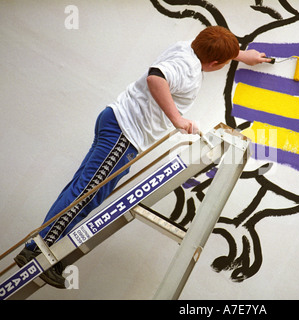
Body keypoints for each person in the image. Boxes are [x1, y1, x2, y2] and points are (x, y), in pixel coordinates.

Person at [14, 26, 270, 288]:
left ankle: (45, 248)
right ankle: (39, 252)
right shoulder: (190, 70)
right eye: (225, 62)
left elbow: (207, 52)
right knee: (87, 194)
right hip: (125, 135)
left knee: (84, 189)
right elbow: (155, 78)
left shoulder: (186, 48)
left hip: (117, 124)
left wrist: (240, 55)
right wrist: (177, 119)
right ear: (216, 63)